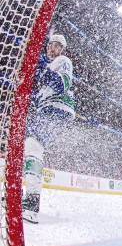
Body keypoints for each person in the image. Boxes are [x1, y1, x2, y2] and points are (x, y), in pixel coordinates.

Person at [22, 33, 75, 224]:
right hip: (48, 110)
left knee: (33, 146)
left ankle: (31, 203)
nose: (52, 49)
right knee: (27, 148)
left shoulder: (63, 61)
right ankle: (26, 196)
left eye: (57, 46)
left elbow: (62, 84)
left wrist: (40, 69)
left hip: (58, 110)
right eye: (51, 45)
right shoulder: (46, 64)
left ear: (62, 49)